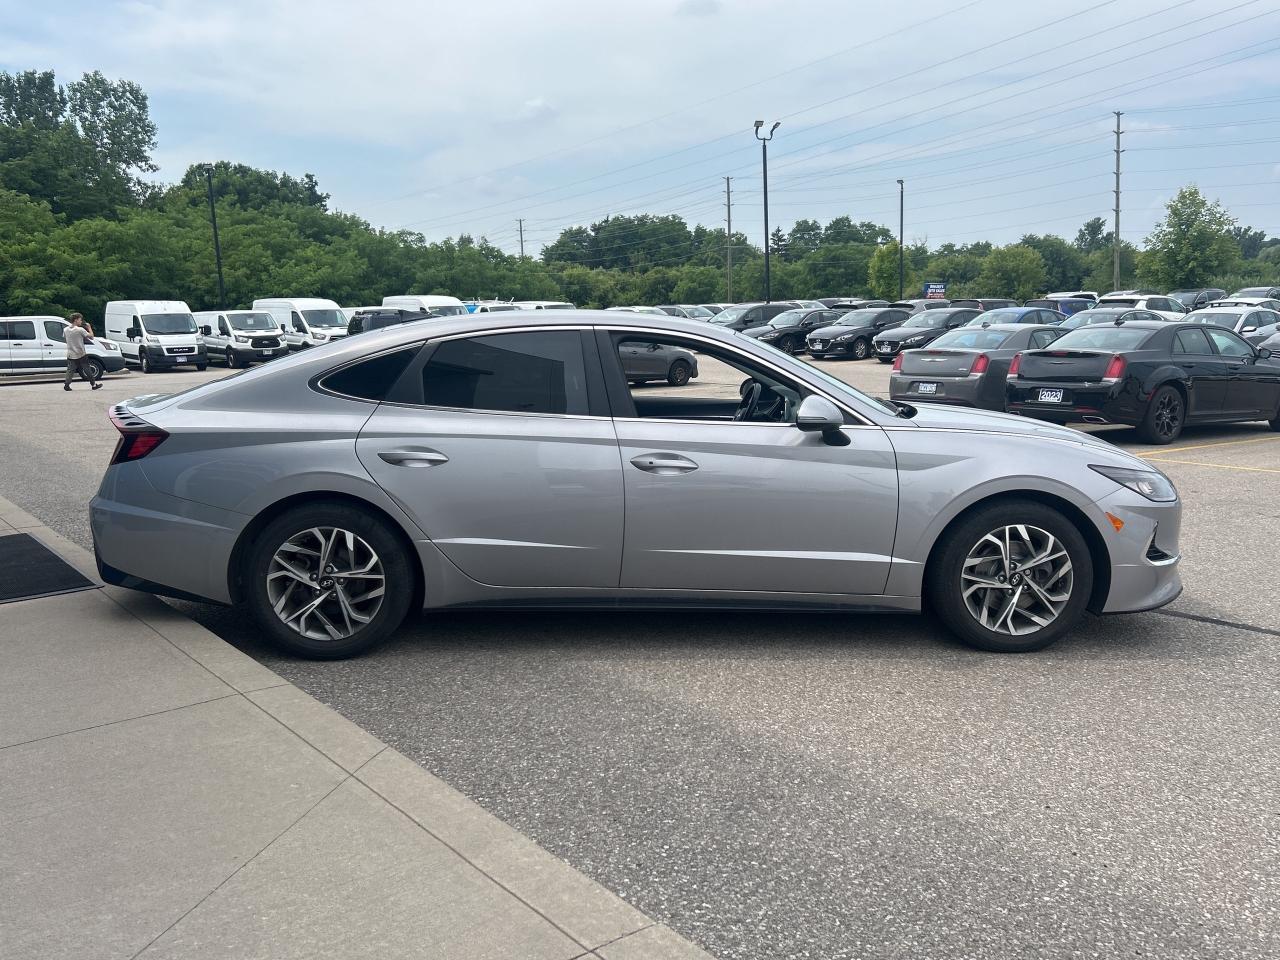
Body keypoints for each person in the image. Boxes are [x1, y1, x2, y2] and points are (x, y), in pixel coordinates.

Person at [63, 313, 101, 391]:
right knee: (87, 369)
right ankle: (93, 385)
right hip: (80, 353)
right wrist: (89, 327)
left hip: (70, 353)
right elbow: (91, 337)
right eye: (80, 320)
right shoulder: (80, 329)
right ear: (76, 320)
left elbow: (65, 338)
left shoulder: (65, 329)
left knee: (70, 370)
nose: (81, 321)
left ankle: (67, 385)